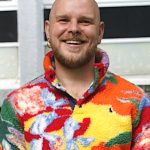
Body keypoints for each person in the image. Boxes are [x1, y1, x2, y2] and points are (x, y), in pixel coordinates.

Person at [0, 0, 150, 149]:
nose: (73, 29)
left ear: (100, 32)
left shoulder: (136, 103)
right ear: (47, 30)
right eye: (63, 20)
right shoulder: (17, 106)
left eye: (85, 21)